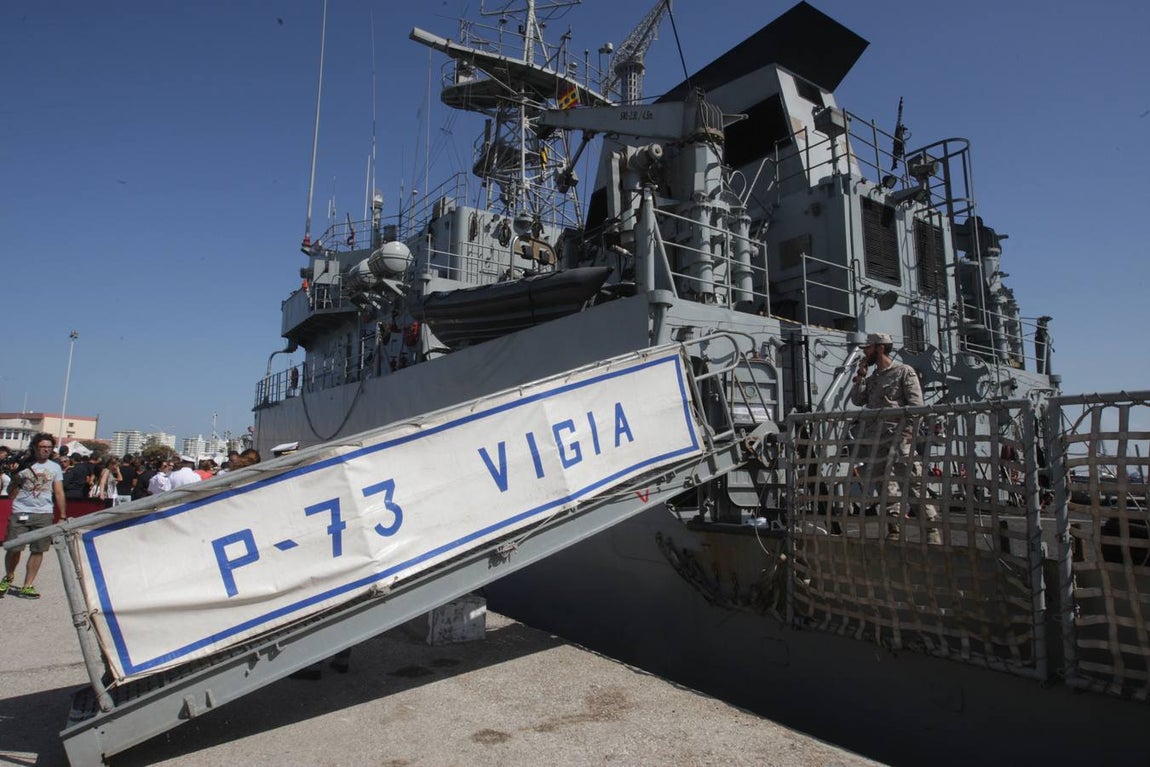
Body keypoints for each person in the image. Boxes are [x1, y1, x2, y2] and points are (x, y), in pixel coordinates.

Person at [849, 332, 941, 544]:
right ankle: (894, 528)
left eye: (868, 348)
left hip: (900, 438)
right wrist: (860, 376)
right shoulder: (872, 379)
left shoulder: (903, 372)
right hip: (877, 439)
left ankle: (931, 529)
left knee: (913, 483)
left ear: (880, 348)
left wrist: (907, 433)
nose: (865, 351)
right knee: (883, 485)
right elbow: (857, 400)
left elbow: (917, 406)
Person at [1, 433, 66, 599]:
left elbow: (58, 492)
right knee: (14, 548)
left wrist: (63, 515)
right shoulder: (24, 465)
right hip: (21, 510)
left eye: (49, 447)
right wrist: (16, 478)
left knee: (38, 550)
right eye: (43, 447)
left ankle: (27, 585)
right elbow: (11, 493)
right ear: (35, 447)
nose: (46, 450)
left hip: (43, 513)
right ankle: (9, 576)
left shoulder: (55, 467)